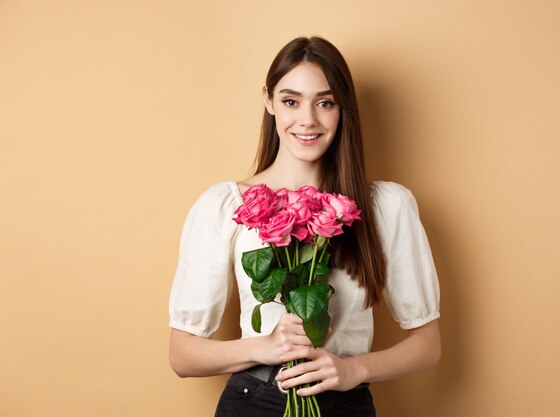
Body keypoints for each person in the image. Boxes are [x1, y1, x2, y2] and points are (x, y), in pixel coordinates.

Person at [168, 36, 441, 417]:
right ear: (269, 101)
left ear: (342, 108)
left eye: (325, 103)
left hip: (346, 404)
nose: (307, 120)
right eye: (291, 101)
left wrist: (352, 370)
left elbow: (428, 345)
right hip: (255, 399)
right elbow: (182, 355)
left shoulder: (384, 207)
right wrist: (263, 346)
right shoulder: (226, 206)